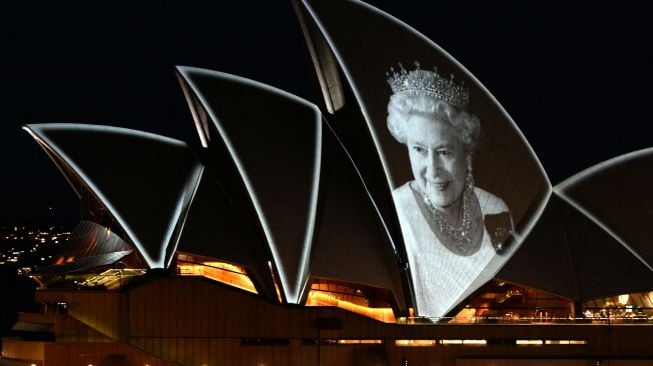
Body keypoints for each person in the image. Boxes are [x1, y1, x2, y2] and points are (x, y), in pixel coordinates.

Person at [386, 62, 513, 319]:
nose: (432, 171)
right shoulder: (397, 211)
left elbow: (507, 285)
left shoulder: (496, 209)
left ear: (466, 153)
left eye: (444, 152)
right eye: (419, 150)